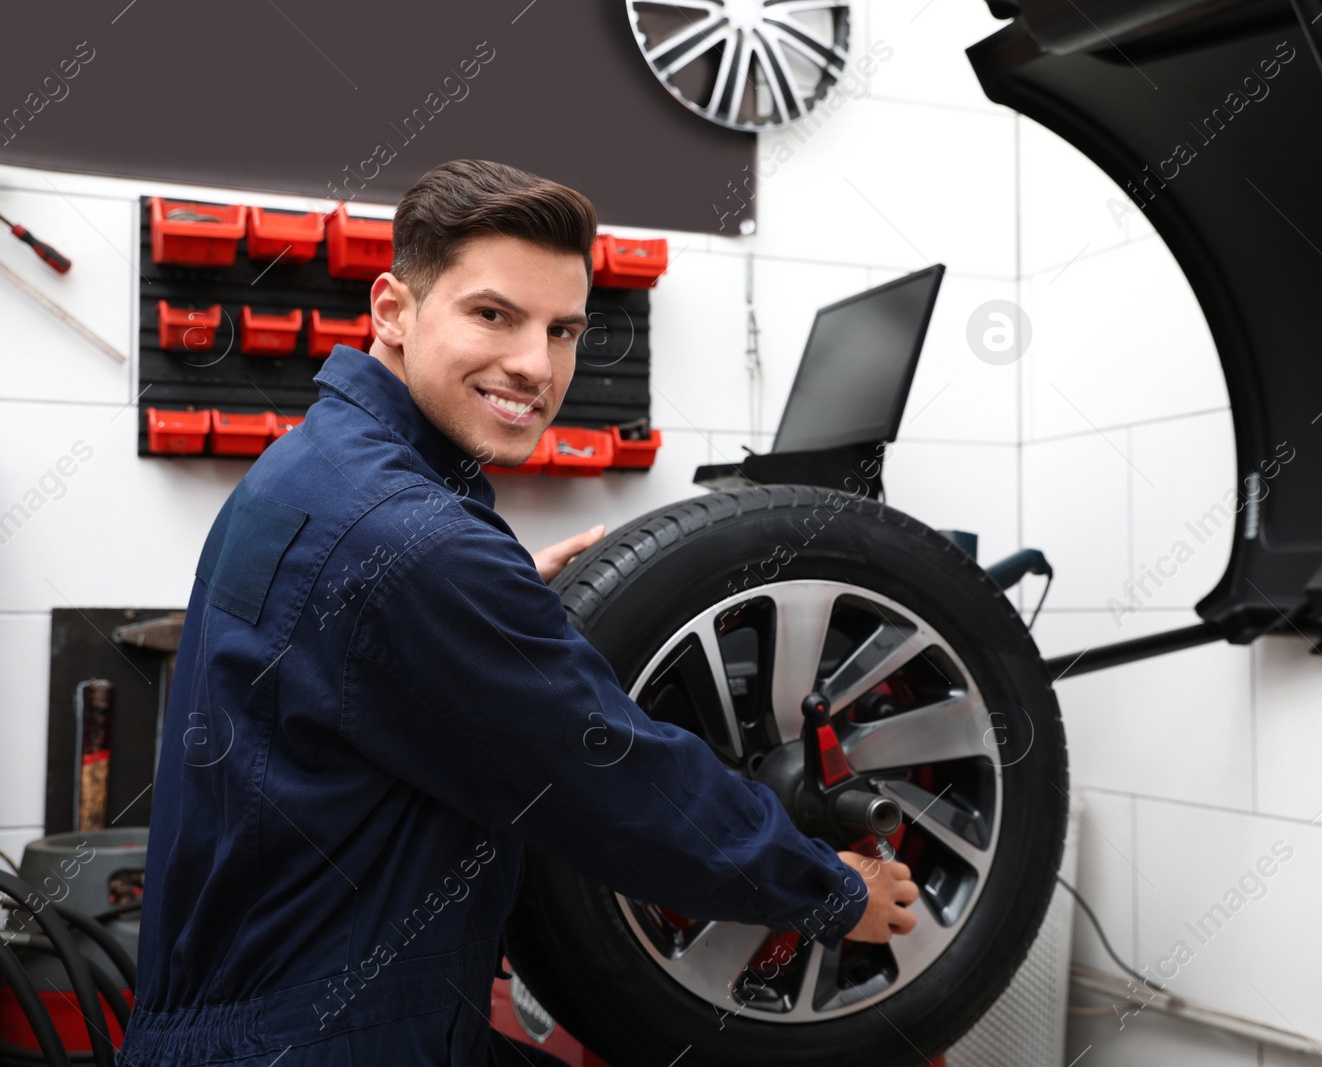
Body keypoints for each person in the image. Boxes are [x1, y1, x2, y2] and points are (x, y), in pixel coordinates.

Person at [118, 159, 919, 1067]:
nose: (536, 365)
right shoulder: (421, 545)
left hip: (263, 1008)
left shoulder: (317, 468)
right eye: (493, 314)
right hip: (323, 1036)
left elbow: (361, 628)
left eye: (564, 329)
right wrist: (828, 889)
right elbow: (611, 778)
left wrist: (486, 616)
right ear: (392, 309)